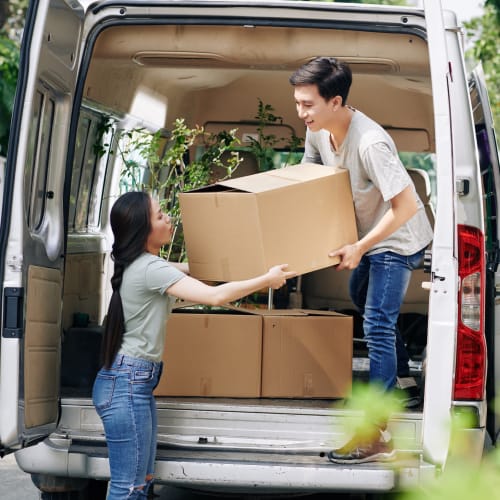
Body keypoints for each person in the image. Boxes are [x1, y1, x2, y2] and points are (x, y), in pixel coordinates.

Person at [92, 191, 295, 499]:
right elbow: (215, 296)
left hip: (131, 382)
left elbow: (199, 271)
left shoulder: (146, 264)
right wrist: (266, 279)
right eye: (160, 216)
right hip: (127, 384)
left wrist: (254, 263)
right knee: (128, 488)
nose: (168, 218)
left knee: (141, 482)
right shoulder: (150, 268)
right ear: (142, 229)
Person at [289, 57, 433, 464]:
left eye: (308, 105)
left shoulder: (371, 143)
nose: (301, 113)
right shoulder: (318, 132)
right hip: (369, 236)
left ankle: (376, 432)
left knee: (376, 323)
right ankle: (404, 381)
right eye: (297, 103)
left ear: (335, 102)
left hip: (397, 238)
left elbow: (404, 207)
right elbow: (311, 166)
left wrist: (359, 247)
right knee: (361, 295)